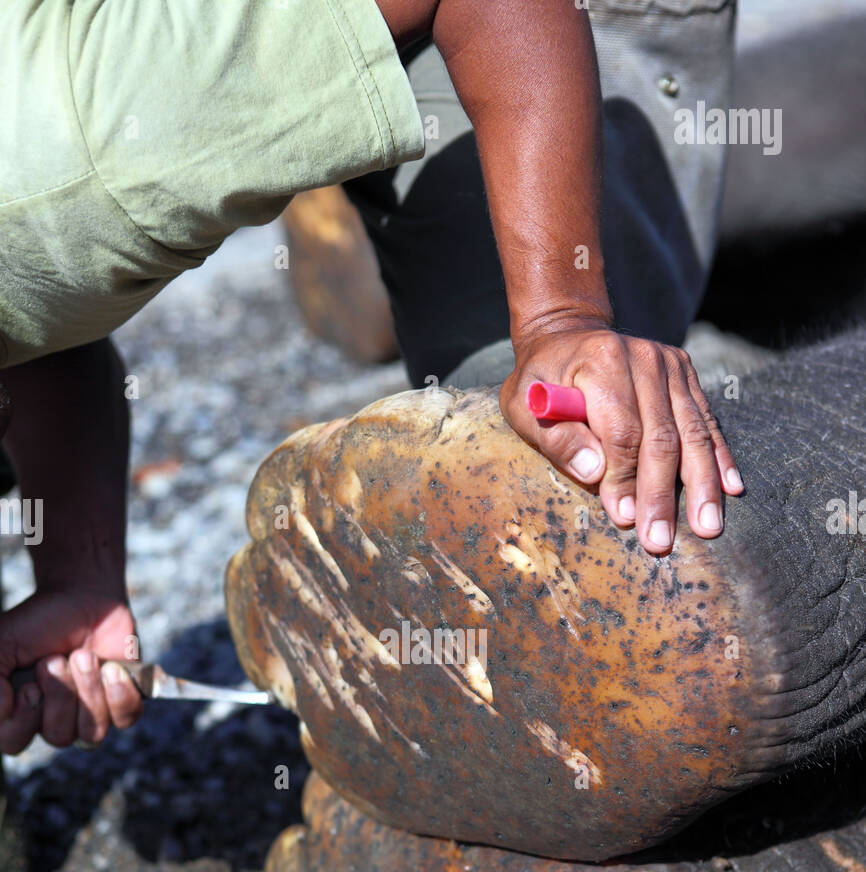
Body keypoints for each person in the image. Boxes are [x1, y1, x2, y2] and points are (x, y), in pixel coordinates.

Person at [0, 0, 741, 755]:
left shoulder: (81, 145)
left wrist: (563, 316)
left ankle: (347, 112)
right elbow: (49, 320)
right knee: (523, 560)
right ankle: (330, 123)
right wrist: (76, 580)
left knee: (582, 489)